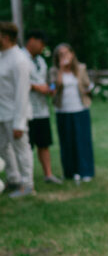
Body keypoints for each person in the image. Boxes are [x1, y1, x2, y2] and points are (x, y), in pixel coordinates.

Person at [50, 43, 95, 182]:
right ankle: (69, 172)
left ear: (72, 54)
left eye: (66, 53)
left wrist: (88, 89)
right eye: (61, 54)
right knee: (66, 142)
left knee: (82, 141)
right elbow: (52, 89)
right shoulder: (54, 71)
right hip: (63, 111)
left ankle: (85, 171)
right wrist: (61, 71)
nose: (64, 56)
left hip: (80, 109)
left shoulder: (81, 69)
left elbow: (88, 85)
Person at [0, 20, 34, 198]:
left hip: (15, 114)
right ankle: (13, 179)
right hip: (1, 113)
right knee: (3, 148)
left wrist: (19, 123)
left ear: (5, 38)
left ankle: (28, 184)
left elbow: (22, 93)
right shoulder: (1, 56)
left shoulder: (19, 59)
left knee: (21, 149)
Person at [24, 29, 61, 184]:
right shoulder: (20, 58)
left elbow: (45, 80)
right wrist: (35, 87)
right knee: (27, 146)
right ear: (32, 40)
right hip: (26, 109)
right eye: (41, 43)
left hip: (42, 109)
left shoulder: (41, 61)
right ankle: (26, 177)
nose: (42, 47)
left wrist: (49, 88)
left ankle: (48, 174)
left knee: (44, 143)